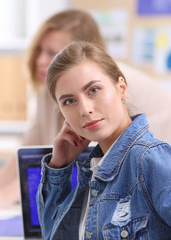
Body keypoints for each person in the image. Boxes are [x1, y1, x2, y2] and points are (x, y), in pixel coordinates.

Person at [0, 9, 171, 210]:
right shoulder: (56, 89)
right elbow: (31, 148)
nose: (40, 60)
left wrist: (4, 198)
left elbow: (87, 162)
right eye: (39, 50)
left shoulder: (107, 89)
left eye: (52, 53)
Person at [37, 40, 171, 239]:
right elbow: (52, 235)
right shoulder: (94, 169)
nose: (85, 109)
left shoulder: (150, 160)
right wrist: (59, 167)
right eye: (69, 101)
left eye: (93, 90)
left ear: (122, 89)